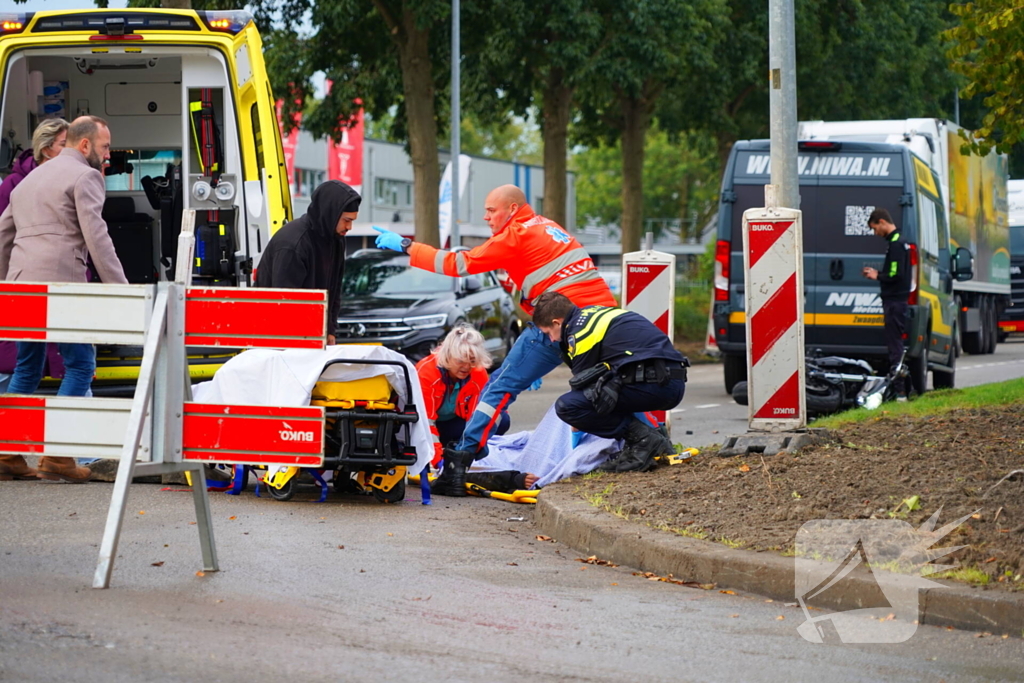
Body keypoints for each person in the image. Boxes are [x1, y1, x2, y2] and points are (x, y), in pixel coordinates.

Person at [373, 184, 616, 490]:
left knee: (499, 388)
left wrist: (408, 246)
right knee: (611, 384)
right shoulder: (547, 226)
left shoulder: (515, 234)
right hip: (602, 318)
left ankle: (460, 463)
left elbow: (459, 264)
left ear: (512, 210)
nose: (486, 217)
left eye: (491, 210)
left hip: (559, 320)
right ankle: (647, 438)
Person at [0, 115, 126, 483]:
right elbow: (97, 238)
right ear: (84, 145)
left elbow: (3, 236)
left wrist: (9, 282)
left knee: (27, 367)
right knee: (81, 365)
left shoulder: (29, 180)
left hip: (22, 286)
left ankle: (7, 452)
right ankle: (57, 454)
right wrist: (123, 290)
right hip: (62, 285)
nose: (107, 156)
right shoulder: (85, 176)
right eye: (104, 148)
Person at [533, 292, 688, 473]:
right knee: (610, 388)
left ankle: (643, 442)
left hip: (655, 384)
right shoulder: (595, 314)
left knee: (569, 406)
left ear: (556, 323)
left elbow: (583, 391)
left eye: (548, 333)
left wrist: (573, 443)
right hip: (669, 381)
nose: (551, 339)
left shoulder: (580, 333)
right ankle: (656, 441)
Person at [415, 323, 535, 495]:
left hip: (454, 423)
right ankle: (445, 455)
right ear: (448, 356)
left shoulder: (477, 373)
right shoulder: (426, 373)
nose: (466, 367)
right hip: (424, 426)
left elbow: (480, 415)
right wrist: (439, 462)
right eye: (460, 361)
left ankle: (463, 454)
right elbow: (426, 423)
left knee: (500, 419)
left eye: (472, 361)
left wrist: (473, 452)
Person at [0, 118, 70, 394]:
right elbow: (4, 235)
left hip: (52, 283)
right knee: (73, 364)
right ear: (46, 148)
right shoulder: (15, 184)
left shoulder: (69, 177)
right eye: (65, 144)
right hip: (27, 284)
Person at [255, 180, 360, 345]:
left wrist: (330, 330)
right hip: (279, 336)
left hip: (311, 334)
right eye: (346, 220)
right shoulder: (293, 243)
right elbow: (285, 303)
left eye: (352, 220)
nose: (350, 227)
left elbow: (334, 288)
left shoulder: (335, 238)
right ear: (330, 214)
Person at [862, 207, 912, 399]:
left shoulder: (896, 243)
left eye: (875, 228)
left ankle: (899, 390)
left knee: (895, 345)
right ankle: (904, 388)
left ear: (882, 222)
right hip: (897, 300)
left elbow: (895, 273)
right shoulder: (900, 242)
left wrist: (877, 275)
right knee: (896, 343)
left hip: (894, 301)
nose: (876, 233)